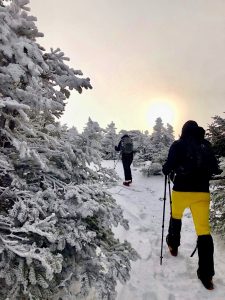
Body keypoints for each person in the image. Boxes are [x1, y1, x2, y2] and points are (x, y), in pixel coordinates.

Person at [162, 120, 221, 290]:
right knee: (203, 232)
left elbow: (167, 168)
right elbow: (216, 169)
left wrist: (168, 168)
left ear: (184, 130)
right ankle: (207, 275)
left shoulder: (178, 144)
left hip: (181, 191)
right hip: (202, 193)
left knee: (176, 217)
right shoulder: (206, 145)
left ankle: (173, 245)